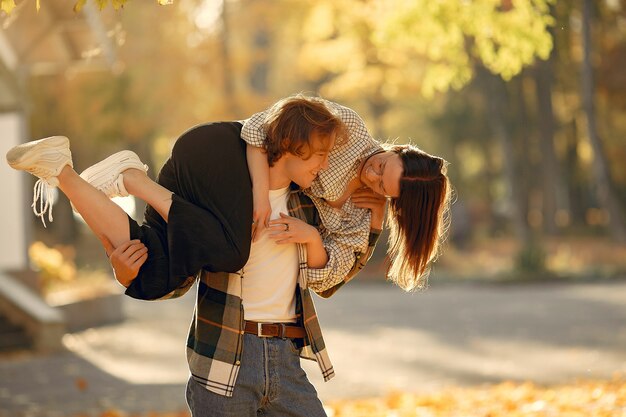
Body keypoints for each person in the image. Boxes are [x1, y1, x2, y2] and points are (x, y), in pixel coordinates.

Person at [6, 102, 385, 416]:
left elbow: (335, 272)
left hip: (286, 358)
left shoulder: (308, 206)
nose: (324, 163)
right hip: (227, 356)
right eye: (318, 154)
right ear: (291, 143)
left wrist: (124, 272)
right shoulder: (233, 177)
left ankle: (61, 169)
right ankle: (134, 180)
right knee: (232, 253)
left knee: (150, 273)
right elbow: (261, 131)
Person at [243, 95, 452, 291]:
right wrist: (260, 198)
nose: (370, 175)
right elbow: (259, 127)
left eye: (381, 186)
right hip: (244, 179)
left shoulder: (362, 211)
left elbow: (328, 283)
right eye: (381, 166)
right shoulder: (349, 128)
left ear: (392, 198)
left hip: (268, 249)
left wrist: (316, 237)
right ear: (396, 149)